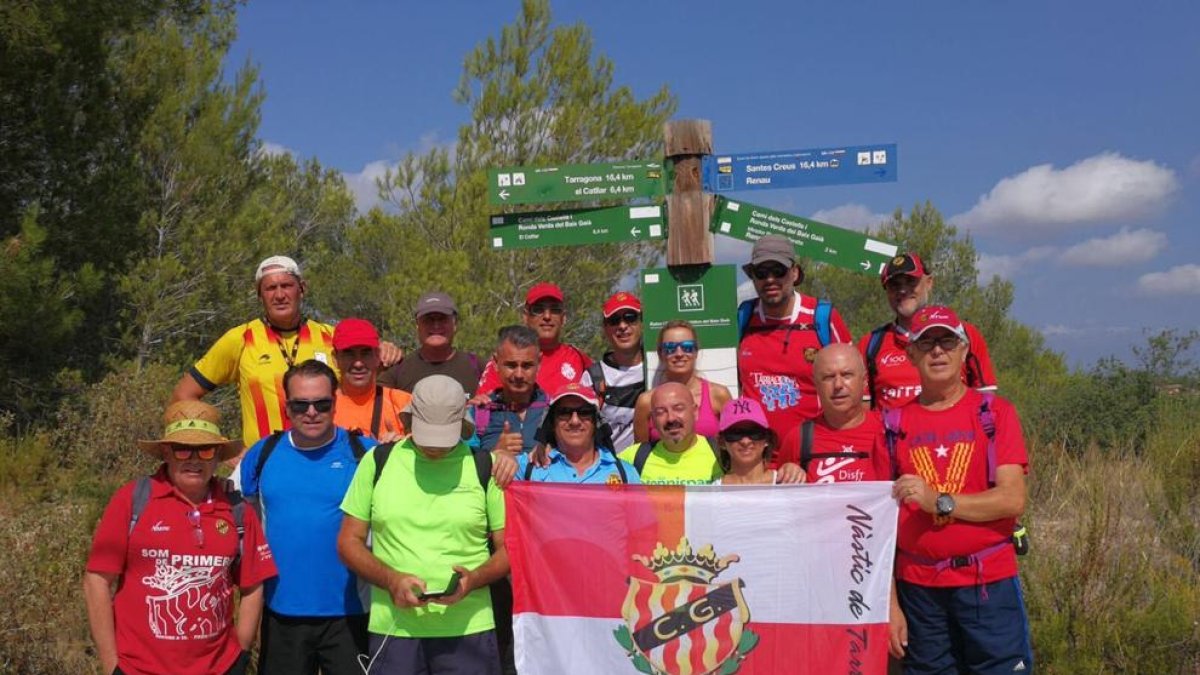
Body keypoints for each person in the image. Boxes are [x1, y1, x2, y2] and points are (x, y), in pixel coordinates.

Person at [888, 306, 1032, 673]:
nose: (938, 351)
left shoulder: (995, 414)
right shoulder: (892, 425)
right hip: (919, 591)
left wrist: (939, 501)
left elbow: (1012, 498)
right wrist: (889, 606)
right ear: (911, 354)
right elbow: (876, 526)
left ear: (965, 350)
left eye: (947, 341)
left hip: (987, 584)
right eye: (927, 343)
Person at [84, 401, 276, 675]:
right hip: (137, 668)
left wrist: (241, 655)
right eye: (182, 449)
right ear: (166, 452)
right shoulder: (133, 500)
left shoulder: (236, 510)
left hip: (218, 667)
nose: (194, 460)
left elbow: (253, 585)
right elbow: (97, 580)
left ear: (218, 455)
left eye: (205, 450)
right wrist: (111, 663)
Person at [337, 375, 508, 674]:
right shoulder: (377, 461)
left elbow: (510, 549)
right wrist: (391, 580)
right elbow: (348, 542)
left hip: (470, 629)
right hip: (394, 631)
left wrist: (474, 580)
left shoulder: (486, 467)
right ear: (410, 420)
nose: (434, 447)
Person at [170, 255, 400, 451]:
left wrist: (386, 350)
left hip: (327, 459)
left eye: (286, 286)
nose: (279, 295)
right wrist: (225, 448)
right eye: (270, 288)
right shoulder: (240, 339)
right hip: (262, 466)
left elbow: (365, 373)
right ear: (259, 294)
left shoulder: (331, 338)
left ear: (302, 288)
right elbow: (183, 395)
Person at [238, 360, 375, 675]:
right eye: (301, 405)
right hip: (280, 613)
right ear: (287, 407)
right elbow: (238, 524)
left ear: (335, 403)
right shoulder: (262, 454)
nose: (311, 412)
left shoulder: (366, 454)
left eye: (322, 403)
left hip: (351, 614)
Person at [736, 235, 852, 439]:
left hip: (814, 451)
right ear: (753, 277)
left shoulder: (822, 316)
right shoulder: (742, 318)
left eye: (778, 271)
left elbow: (859, 383)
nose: (770, 279)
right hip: (757, 457)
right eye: (761, 273)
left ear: (794, 272)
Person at [859, 253, 997, 408]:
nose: (903, 290)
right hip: (892, 432)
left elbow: (987, 405)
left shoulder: (964, 334)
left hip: (954, 431)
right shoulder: (869, 344)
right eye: (894, 285)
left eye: (911, 282)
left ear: (929, 282)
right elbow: (863, 413)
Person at [774, 344, 892, 483]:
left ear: (864, 381)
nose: (838, 385)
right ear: (816, 385)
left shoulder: (889, 433)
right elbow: (782, 499)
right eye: (828, 377)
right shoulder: (798, 439)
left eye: (847, 375)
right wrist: (788, 474)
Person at [475, 282, 592, 396]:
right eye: (538, 310)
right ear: (525, 317)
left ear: (564, 318)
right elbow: (484, 403)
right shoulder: (506, 359)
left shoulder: (579, 359)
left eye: (555, 310)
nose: (547, 316)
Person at [517, 383, 641, 484]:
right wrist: (502, 454)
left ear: (596, 421)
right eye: (564, 412)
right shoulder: (528, 467)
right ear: (551, 422)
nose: (574, 421)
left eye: (584, 412)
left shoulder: (625, 474)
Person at [632, 320, 730, 443]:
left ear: (696, 352)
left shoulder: (719, 395)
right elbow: (640, 453)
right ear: (660, 354)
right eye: (670, 348)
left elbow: (731, 447)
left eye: (687, 347)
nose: (679, 354)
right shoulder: (646, 402)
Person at [379, 291, 484, 395]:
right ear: (417, 325)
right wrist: (375, 354)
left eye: (442, 319)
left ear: (455, 324)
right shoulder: (398, 370)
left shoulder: (478, 367)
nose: (436, 325)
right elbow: (371, 400)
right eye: (428, 319)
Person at [618, 382, 722, 485]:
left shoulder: (721, 455)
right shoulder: (632, 459)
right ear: (653, 420)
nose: (671, 418)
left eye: (678, 408)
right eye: (660, 412)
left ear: (695, 412)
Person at [470, 325, 550, 457]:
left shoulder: (556, 412)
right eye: (511, 365)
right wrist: (494, 454)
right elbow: (464, 467)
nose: (519, 374)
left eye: (527, 366)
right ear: (496, 363)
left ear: (539, 363)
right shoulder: (478, 412)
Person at [332, 318, 411, 442]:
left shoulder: (403, 404)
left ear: (377, 356)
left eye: (365, 353)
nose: (358, 363)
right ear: (335, 359)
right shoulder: (320, 408)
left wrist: (404, 448)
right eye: (349, 353)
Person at [587, 291, 646, 452]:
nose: (622, 326)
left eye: (630, 317)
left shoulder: (659, 368)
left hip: (654, 470)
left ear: (642, 322)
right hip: (611, 472)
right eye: (614, 320)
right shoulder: (592, 377)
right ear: (605, 329)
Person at [713, 398, 788, 485]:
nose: (745, 441)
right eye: (736, 433)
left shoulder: (787, 484)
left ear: (767, 438)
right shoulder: (713, 492)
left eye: (754, 432)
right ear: (721, 442)